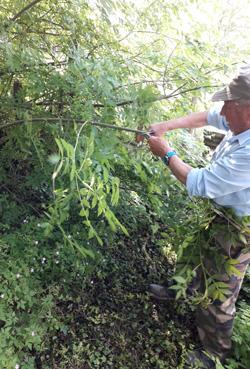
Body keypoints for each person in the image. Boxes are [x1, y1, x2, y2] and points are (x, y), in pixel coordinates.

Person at [142, 64, 250, 368]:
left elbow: (199, 183)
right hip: (220, 214)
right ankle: (181, 290)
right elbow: (207, 117)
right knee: (196, 254)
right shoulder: (238, 120)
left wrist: (165, 152)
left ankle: (213, 353)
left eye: (229, 103)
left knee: (222, 290)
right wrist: (165, 126)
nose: (223, 108)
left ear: (248, 109)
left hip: (239, 228)